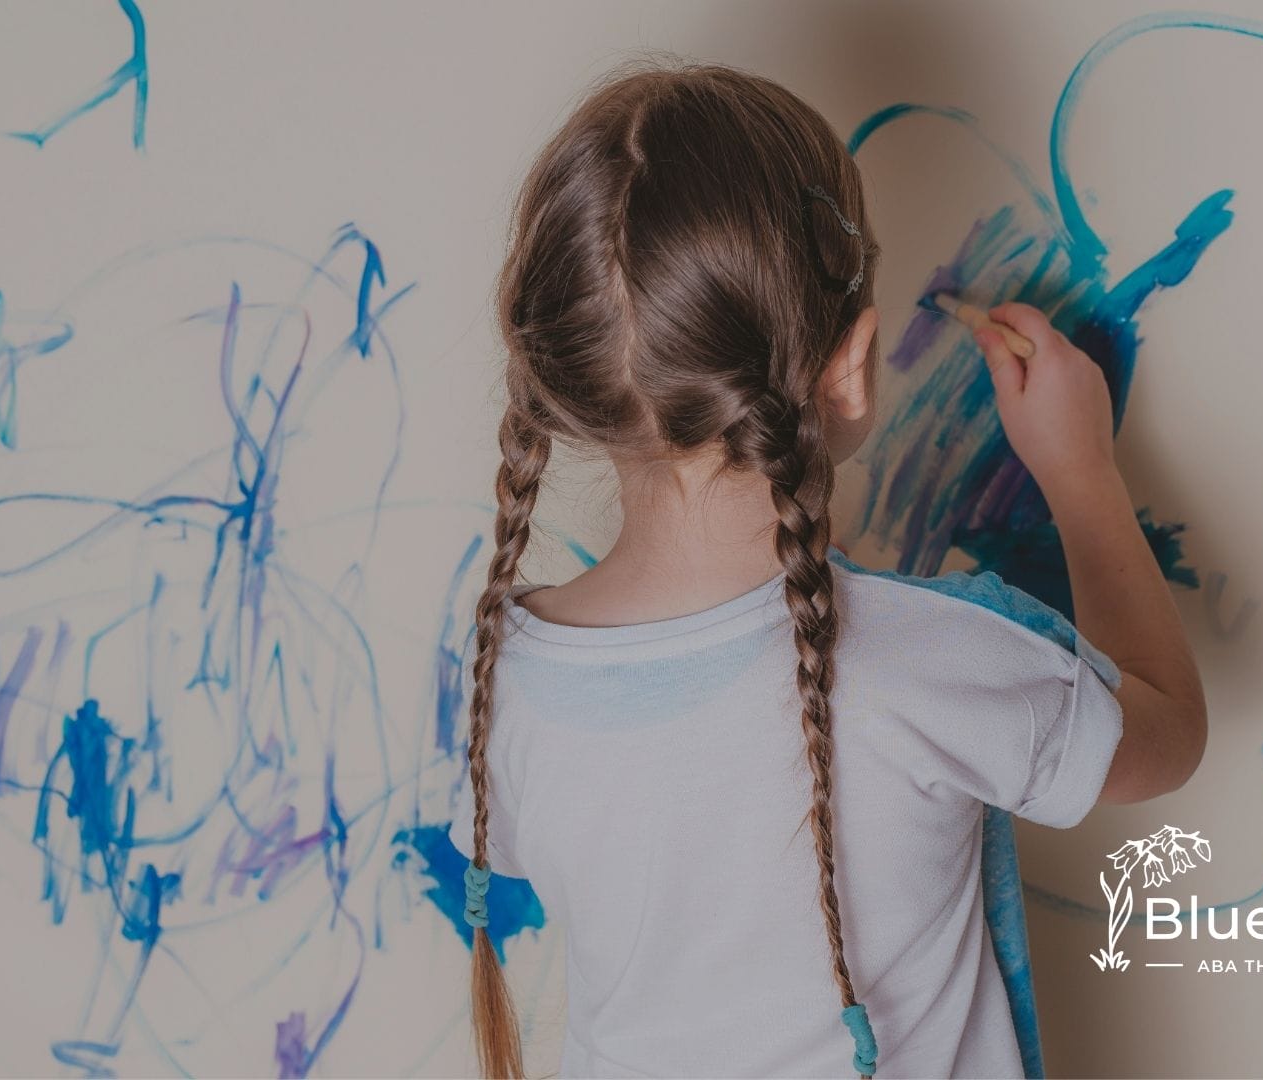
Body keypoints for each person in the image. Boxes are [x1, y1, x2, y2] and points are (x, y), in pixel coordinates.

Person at [447, 58, 1207, 1079]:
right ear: (852, 368)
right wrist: (1080, 473)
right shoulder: (935, 653)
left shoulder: (514, 675)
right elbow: (1167, 735)